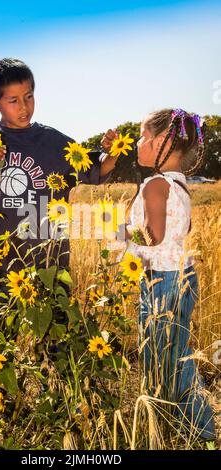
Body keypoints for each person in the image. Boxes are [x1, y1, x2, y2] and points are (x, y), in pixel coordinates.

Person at [0, 58, 117, 301]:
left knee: (55, 330)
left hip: (49, 259)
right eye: (13, 100)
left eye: (29, 96)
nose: (24, 107)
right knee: (0, 333)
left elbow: (98, 170)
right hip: (1, 260)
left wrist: (111, 151)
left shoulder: (53, 142)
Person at [102, 108, 215, 440]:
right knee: (177, 352)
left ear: (163, 141)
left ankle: (199, 428)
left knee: (159, 353)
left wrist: (122, 232)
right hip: (183, 276)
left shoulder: (153, 184)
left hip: (161, 281)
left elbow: (154, 236)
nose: (138, 142)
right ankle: (179, 421)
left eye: (143, 136)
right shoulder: (180, 184)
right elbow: (184, 228)